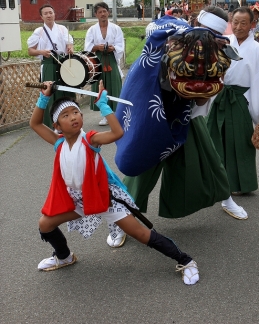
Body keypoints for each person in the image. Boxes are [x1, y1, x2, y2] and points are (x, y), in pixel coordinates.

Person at [29, 79, 199, 285]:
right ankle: (64, 256)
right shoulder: (58, 143)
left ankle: (186, 261)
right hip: (79, 200)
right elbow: (35, 124)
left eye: (76, 112)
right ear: (57, 126)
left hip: (104, 198)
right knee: (45, 224)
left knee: (140, 233)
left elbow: (117, 133)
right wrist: (44, 97)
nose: (73, 117)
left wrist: (104, 106)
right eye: (66, 116)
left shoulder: (90, 139)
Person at [106, 7, 248, 248]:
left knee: (210, 160)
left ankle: (226, 199)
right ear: (194, 24)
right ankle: (121, 221)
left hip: (187, 115)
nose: (206, 40)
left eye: (212, 35)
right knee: (142, 169)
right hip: (154, 115)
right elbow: (150, 48)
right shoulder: (170, 36)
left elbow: (203, 98)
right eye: (204, 32)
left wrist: (205, 87)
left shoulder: (219, 51)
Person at [207, 7, 259, 196]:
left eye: (243, 23)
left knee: (241, 143)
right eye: (235, 22)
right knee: (215, 139)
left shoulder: (257, 49)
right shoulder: (224, 43)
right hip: (220, 98)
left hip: (241, 100)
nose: (238, 27)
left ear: (252, 25)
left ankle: (242, 183)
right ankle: (217, 181)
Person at [27, 4, 74, 128]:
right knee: (50, 91)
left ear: (54, 14)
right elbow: (30, 51)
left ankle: (69, 122)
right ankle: (52, 124)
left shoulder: (63, 29)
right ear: (41, 16)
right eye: (46, 13)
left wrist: (70, 48)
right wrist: (41, 52)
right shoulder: (39, 31)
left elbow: (70, 44)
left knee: (65, 91)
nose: (49, 15)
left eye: (50, 12)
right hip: (48, 63)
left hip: (62, 63)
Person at [84, 2, 124, 126]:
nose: (102, 14)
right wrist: (96, 47)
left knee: (114, 85)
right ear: (96, 14)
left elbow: (120, 45)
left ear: (108, 12)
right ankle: (105, 115)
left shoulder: (116, 28)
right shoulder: (92, 29)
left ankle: (117, 114)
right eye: (100, 12)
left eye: (104, 11)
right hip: (98, 59)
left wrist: (113, 48)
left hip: (111, 58)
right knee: (100, 86)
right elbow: (88, 47)